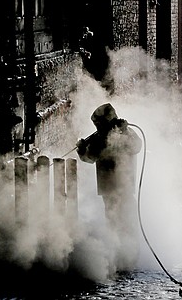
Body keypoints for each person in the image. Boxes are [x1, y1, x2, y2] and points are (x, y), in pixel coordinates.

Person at [76, 103, 142, 269]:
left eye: (99, 124)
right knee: (113, 221)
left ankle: (130, 257)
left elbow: (137, 147)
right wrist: (81, 149)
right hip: (108, 188)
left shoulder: (124, 133)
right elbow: (89, 157)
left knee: (126, 220)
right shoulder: (99, 138)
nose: (97, 127)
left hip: (123, 186)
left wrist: (125, 131)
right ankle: (120, 256)